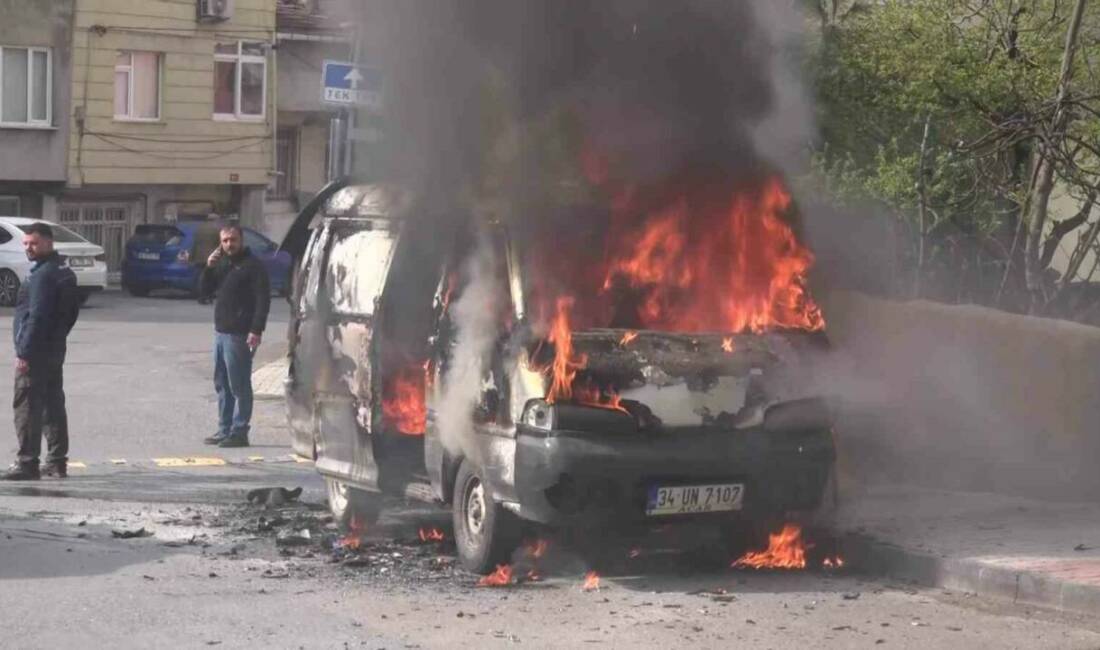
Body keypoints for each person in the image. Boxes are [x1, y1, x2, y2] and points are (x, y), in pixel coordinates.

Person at [2, 223, 80, 481]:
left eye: (33, 243)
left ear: (48, 242)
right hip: (54, 348)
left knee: (27, 406)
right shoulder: (63, 271)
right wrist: (57, 337)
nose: (28, 248)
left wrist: (24, 352)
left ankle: (27, 463)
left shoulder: (44, 275)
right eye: (25, 244)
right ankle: (57, 462)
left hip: (35, 352)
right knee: (52, 404)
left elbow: (36, 316)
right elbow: (70, 314)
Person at [200, 222, 270, 448]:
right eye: (225, 241)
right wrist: (209, 268)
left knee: (238, 384)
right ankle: (225, 429)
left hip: (240, 335)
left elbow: (262, 300)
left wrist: (256, 330)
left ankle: (240, 432)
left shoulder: (253, 266)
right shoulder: (223, 265)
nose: (229, 244)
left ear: (242, 241)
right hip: (220, 333)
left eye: (233, 240)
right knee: (222, 383)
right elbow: (203, 293)